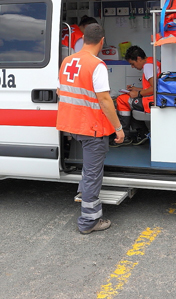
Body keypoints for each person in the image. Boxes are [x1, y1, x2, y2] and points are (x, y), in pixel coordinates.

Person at [56, 23, 125, 234]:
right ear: (102, 41)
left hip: (72, 125)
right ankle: (89, 221)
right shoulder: (97, 65)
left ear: (84, 38)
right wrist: (118, 128)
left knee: (89, 167)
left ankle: (83, 190)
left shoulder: (67, 61)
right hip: (92, 128)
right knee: (94, 173)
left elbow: (62, 91)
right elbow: (105, 100)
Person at [115, 46, 160, 140]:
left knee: (121, 100)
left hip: (151, 101)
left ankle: (125, 137)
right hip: (155, 98)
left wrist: (138, 94)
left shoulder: (147, 67)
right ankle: (142, 133)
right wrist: (136, 89)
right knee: (128, 101)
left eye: (133, 63)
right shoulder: (153, 61)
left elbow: (155, 88)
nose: (132, 66)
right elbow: (150, 87)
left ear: (138, 59)